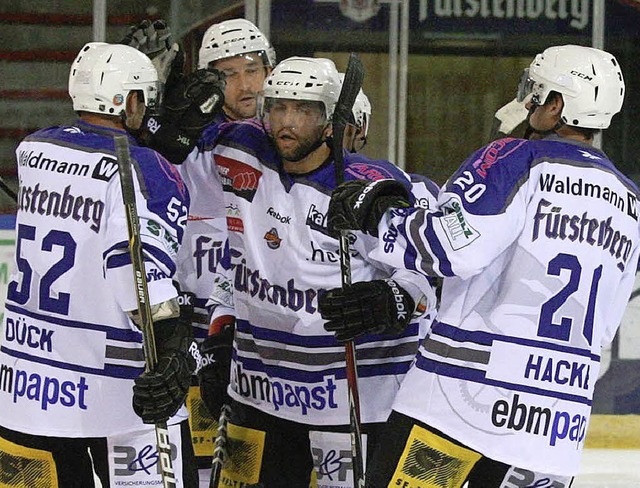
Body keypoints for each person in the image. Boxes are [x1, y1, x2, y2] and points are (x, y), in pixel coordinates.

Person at [320, 45, 639, 487]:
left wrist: (380, 216)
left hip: (456, 407)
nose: (528, 103)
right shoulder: (630, 202)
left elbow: (452, 250)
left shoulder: (516, 158)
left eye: (535, 92)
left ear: (557, 105)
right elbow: (606, 326)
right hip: (554, 429)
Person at [195, 56, 439, 487]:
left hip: (350, 403)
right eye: (279, 108)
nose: (287, 122)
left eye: (304, 110)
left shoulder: (366, 187)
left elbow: (429, 271)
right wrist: (219, 340)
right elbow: (237, 269)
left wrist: (390, 300)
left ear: (330, 122)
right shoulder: (242, 158)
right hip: (259, 394)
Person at [0, 42, 199, 487]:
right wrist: (173, 344)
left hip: (26, 386)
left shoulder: (33, 149)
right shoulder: (149, 171)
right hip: (118, 396)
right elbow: (136, 273)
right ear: (131, 102)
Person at [121, 17, 276, 485]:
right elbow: (144, 159)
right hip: (190, 326)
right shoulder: (184, 139)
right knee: (186, 464)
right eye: (227, 74)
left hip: (257, 328)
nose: (245, 84)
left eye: (253, 68)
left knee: (243, 470)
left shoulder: (288, 139)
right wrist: (145, 111)